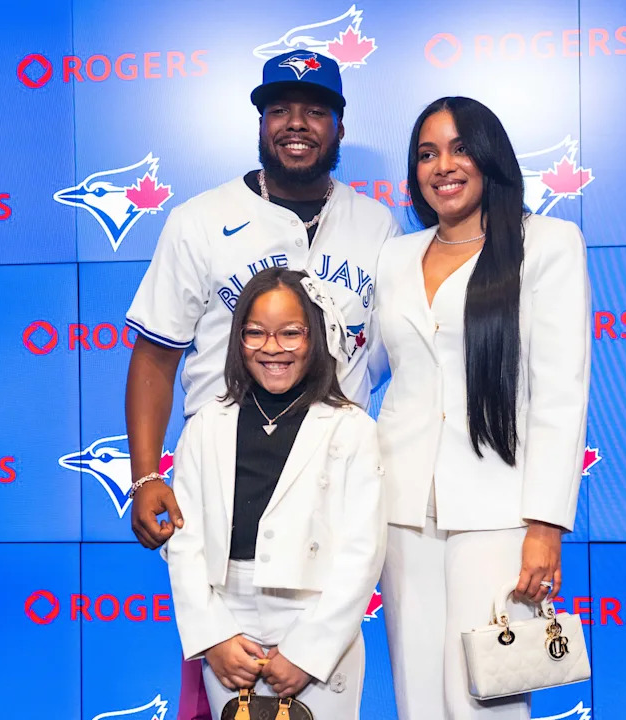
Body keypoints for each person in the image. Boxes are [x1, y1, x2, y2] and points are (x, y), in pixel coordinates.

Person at [122, 51, 398, 719]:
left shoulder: (378, 226)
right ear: (260, 121)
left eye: (313, 111)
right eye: (279, 110)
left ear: (338, 124)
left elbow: (404, 359)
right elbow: (155, 355)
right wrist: (143, 475)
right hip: (223, 497)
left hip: (329, 502)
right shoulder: (198, 220)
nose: (295, 124)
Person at [374, 96, 592, 719]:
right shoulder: (395, 256)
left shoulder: (547, 243)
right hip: (401, 511)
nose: (443, 165)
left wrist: (545, 527)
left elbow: (559, 393)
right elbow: (361, 375)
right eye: (426, 153)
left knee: (485, 701)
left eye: (460, 147)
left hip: (501, 514)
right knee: (417, 700)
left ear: (489, 156)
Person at [164, 267, 386, 719]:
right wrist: (214, 637)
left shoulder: (352, 427)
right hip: (230, 620)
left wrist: (309, 649)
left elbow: (362, 552)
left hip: (317, 617)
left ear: (315, 337)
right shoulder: (207, 424)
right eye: (255, 333)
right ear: (237, 339)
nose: (272, 348)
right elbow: (185, 541)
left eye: (290, 333)